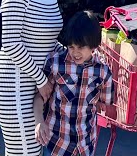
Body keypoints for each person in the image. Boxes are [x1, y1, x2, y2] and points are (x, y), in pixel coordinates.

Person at [0, 0, 64, 156]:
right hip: (13, 83)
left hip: (37, 85)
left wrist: (77, 53)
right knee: (25, 150)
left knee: (33, 150)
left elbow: (48, 40)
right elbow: (11, 43)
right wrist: (42, 80)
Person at [35, 11, 115, 156]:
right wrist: (39, 121)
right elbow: (40, 97)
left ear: (93, 45)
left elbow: (105, 104)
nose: (75, 52)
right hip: (55, 144)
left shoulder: (103, 71)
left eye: (81, 47)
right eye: (71, 47)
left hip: (85, 145)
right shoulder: (55, 63)